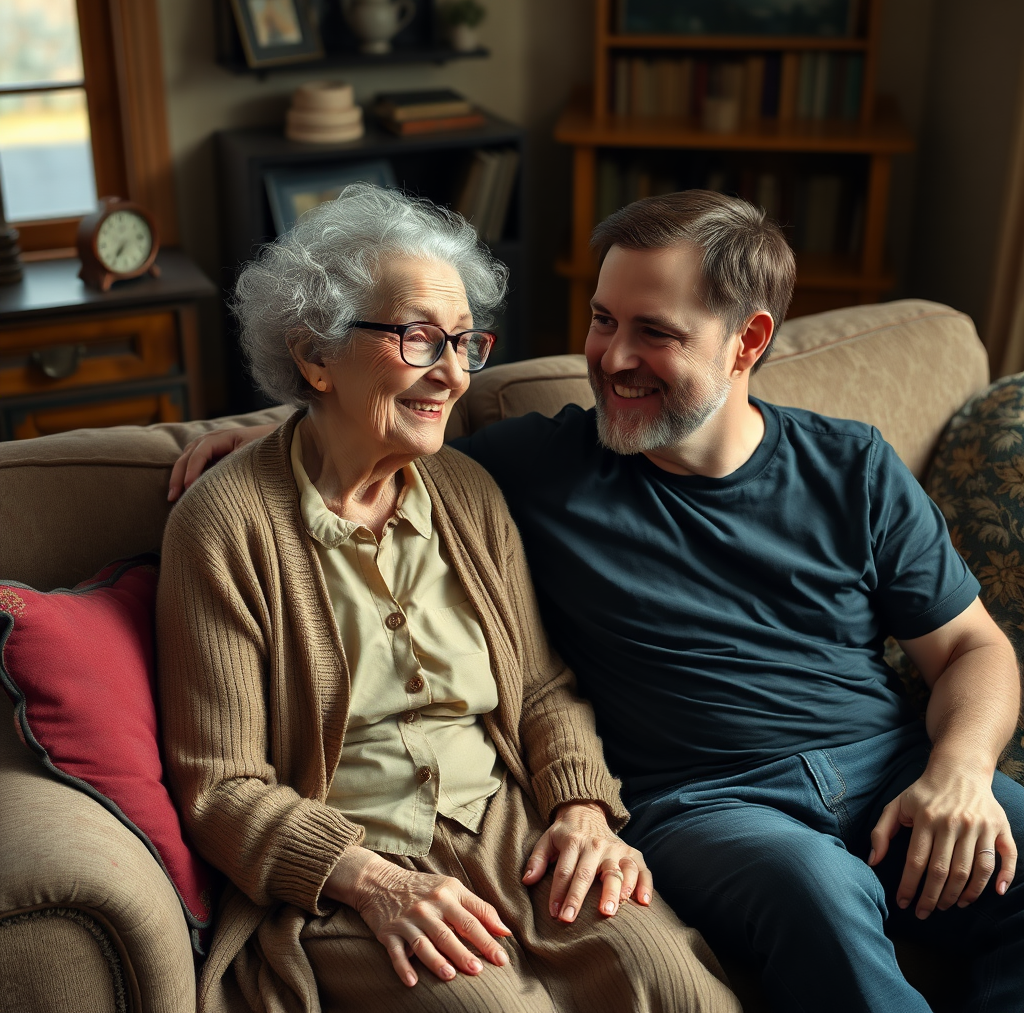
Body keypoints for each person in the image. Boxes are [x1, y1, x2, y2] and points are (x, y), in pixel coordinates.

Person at [170, 189, 1024, 1012]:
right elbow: (369, 428)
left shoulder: (853, 467)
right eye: (603, 320)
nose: (611, 359)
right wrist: (288, 420)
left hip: (884, 763)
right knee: (816, 890)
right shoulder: (536, 471)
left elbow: (972, 650)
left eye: (653, 332)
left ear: (747, 341)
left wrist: (960, 772)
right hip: (713, 805)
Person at [156, 184, 738, 1013]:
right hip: (352, 866)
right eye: (422, 338)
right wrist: (371, 883)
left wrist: (581, 810)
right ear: (314, 354)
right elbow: (221, 785)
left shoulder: (466, 492)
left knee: (678, 988)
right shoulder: (224, 527)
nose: (456, 374)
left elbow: (542, 689)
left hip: (515, 836)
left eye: (466, 342)